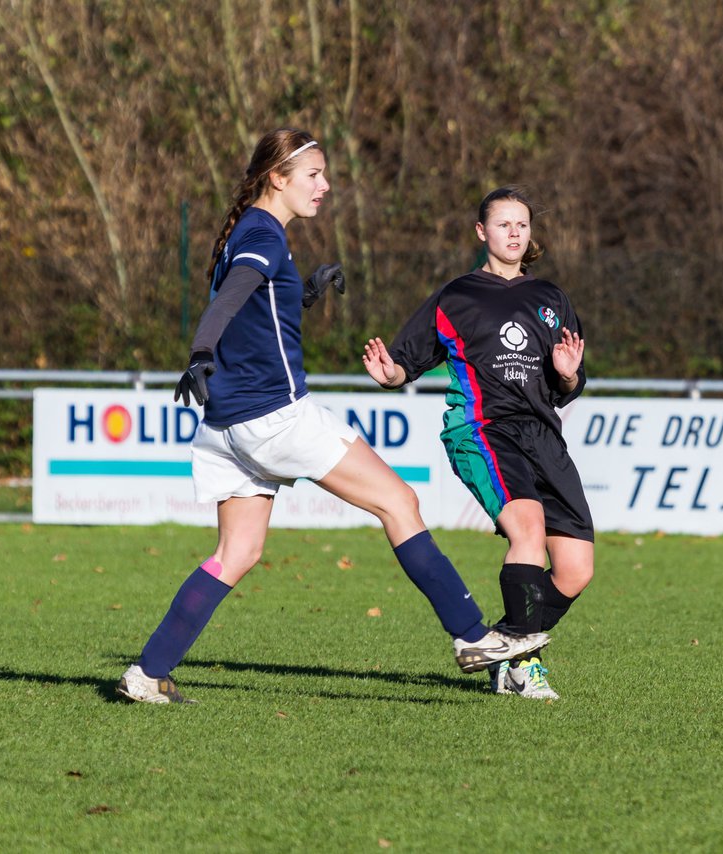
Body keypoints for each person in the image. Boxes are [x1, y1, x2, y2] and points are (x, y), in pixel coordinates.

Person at [117, 130, 548, 704]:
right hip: (276, 417)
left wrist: (305, 293)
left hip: (228, 425)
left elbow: (253, 304)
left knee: (236, 553)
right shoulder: (263, 234)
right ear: (278, 177)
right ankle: (473, 639)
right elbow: (229, 299)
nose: (325, 185)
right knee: (399, 502)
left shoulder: (251, 231)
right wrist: (198, 351)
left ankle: (148, 672)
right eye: (314, 174)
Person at [362, 186, 594, 700]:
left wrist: (568, 375)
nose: (515, 233)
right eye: (504, 224)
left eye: (523, 225)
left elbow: (569, 386)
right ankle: (523, 669)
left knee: (576, 569)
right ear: (481, 232)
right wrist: (392, 373)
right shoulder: (457, 296)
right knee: (527, 531)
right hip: (483, 429)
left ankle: (500, 645)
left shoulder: (551, 298)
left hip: (542, 435)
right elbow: (408, 358)